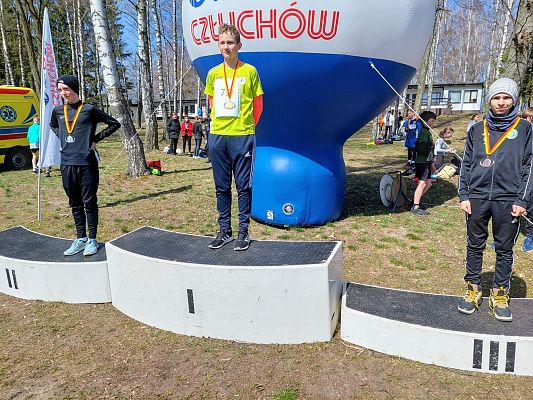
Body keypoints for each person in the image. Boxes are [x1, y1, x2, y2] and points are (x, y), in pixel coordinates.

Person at [457, 78, 532, 322]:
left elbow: (530, 166)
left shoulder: (524, 128)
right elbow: (466, 163)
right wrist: (464, 194)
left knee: (504, 248)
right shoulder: (477, 129)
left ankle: (500, 294)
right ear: (489, 100)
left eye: (506, 98)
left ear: (513, 100)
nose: (501, 102)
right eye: (496, 97)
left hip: (508, 199)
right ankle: (472, 289)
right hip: (477, 198)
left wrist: (523, 200)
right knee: (474, 245)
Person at [204, 23, 263, 251]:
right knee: (221, 187)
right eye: (222, 43)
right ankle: (224, 230)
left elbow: (258, 105)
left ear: (239, 45)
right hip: (218, 136)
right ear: (218, 46)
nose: (226, 47)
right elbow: (212, 103)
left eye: (230, 42)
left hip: (242, 136)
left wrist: (246, 127)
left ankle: (243, 232)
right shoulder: (213, 73)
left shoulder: (250, 71)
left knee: (243, 187)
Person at [50, 75, 121, 256]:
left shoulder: (89, 110)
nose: (63, 93)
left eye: (66, 89)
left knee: (89, 202)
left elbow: (114, 124)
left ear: (74, 89)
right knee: (74, 203)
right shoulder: (58, 111)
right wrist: (66, 140)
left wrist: (95, 139)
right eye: (60, 90)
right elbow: (53, 126)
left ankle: (92, 240)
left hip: (86, 163)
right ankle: (80, 238)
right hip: (66, 163)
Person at [411, 111, 436, 216]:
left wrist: (431, 163)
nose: (433, 123)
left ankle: (416, 200)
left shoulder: (428, 132)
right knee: (422, 183)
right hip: (422, 162)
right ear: (425, 122)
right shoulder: (423, 133)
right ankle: (415, 206)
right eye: (432, 121)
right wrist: (429, 158)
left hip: (426, 162)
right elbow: (422, 149)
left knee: (429, 183)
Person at [521, 107, 533, 253]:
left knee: (531, 206)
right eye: (524, 119)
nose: (526, 122)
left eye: (529, 120)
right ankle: (509, 236)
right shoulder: (518, 136)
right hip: (518, 175)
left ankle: (530, 236)